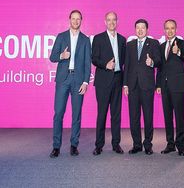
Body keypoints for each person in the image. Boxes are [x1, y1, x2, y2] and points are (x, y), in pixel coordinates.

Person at [49, 10, 91, 158]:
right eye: (73, 19)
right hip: (63, 80)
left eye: (78, 19)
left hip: (78, 81)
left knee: (76, 115)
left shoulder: (85, 40)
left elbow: (87, 63)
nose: (75, 21)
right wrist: (62, 55)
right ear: (69, 20)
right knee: (58, 113)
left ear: (81, 21)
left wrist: (86, 82)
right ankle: (56, 146)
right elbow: (52, 57)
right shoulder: (61, 37)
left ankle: (74, 145)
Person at [123, 19, 161, 155]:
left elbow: (159, 61)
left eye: (142, 28)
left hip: (147, 85)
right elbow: (126, 65)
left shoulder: (154, 43)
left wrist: (152, 62)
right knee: (134, 117)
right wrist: (125, 84)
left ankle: (148, 144)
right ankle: (137, 144)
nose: (140, 30)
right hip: (132, 85)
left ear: (147, 30)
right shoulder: (130, 45)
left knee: (148, 116)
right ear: (135, 29)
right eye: (137, 28)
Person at [92, 11, 126, 155]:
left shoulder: (122, 39)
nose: (112, 22)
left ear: (117, 22)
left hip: (118, 79)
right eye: (109, 20)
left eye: (114, 20)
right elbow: (94, 58)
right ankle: (99, 145)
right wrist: (105, 65)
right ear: (105, 22)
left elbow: (125, 61)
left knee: (116, 114)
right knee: (102, 114)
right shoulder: (98, 38)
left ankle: (116, 144)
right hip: (103, 81)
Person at [156, 19, 184, 156]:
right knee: (168, 116)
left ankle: (180, 146)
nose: (169, 31)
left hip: (177, 86)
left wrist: (178, 52)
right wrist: (158, 84)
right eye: (167, 28)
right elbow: (160, 68)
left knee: (179, 117)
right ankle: (170, 144)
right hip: (164, 87)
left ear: (176, 29)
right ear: (164, 30)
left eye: (172, 28)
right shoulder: (161, 46)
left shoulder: (182, 43)